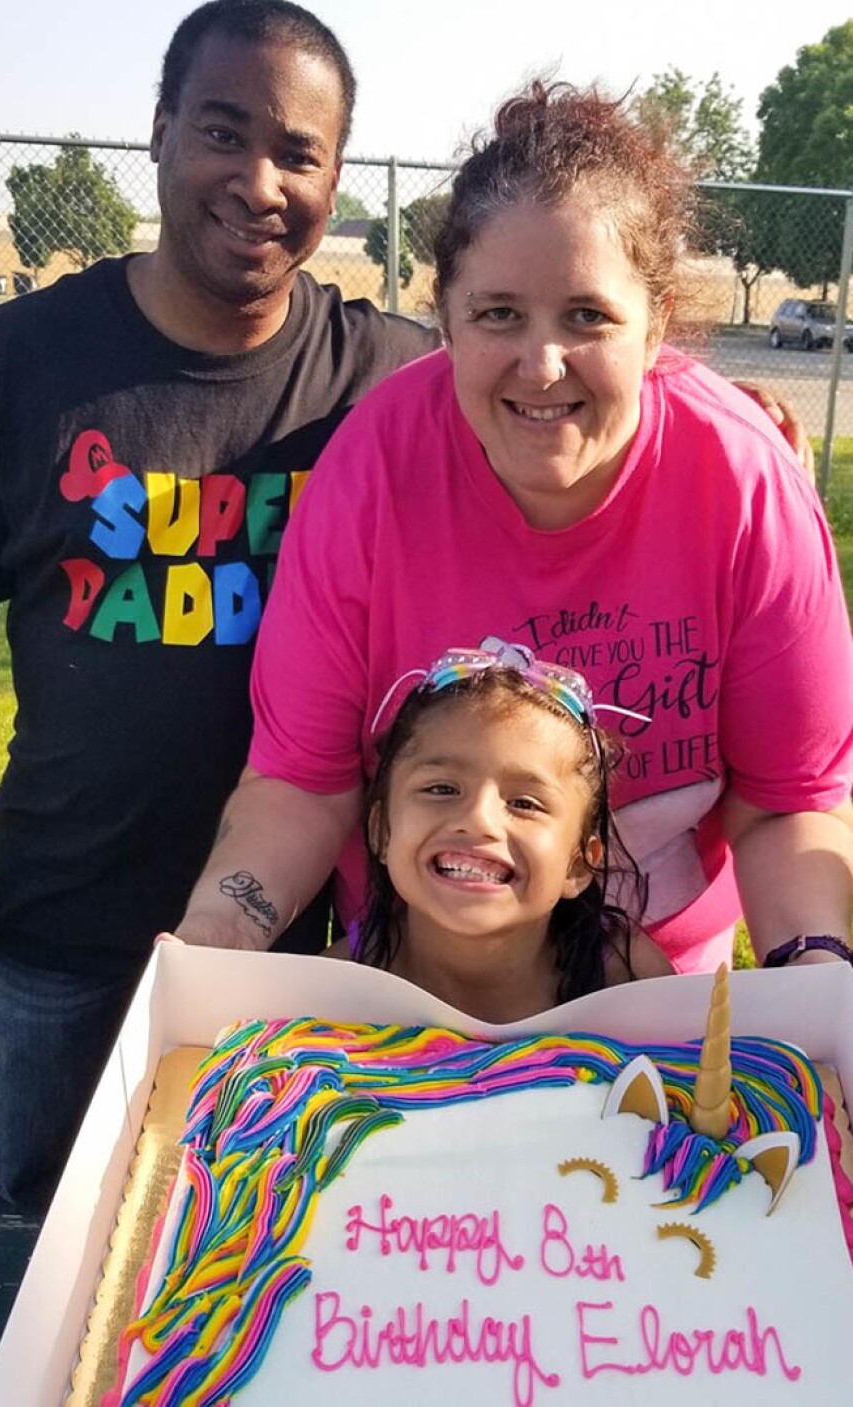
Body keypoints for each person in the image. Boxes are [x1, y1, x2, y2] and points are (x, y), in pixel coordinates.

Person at [176, 80, 853, 983]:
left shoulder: (743, 484)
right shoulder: (372, 470)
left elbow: (786, 801)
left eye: (588, 316)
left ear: (655, 328)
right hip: (417, 986)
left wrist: (816, 981)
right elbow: (304, 777)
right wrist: (221, 932)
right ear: (446, 320)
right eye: (499, 313)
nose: (542, 367)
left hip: (654, 993)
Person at [0, 0, 436, 1217]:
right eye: (224, 133)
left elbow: (540, 362)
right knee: (30, 1242)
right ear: (162, 133)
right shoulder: (22, 359)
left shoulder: (382, 378)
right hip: (58, 923)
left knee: (245, 1260)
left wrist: (702, 413)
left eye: (299, 154)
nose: (258, 181)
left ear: (337, 178)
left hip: (280, 947)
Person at [326, 639, 672, 1022]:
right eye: (441, 789)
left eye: (524, 803)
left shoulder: (627, 980)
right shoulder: (334, 989)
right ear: (382, 832)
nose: (479, 819)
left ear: (577, 866)